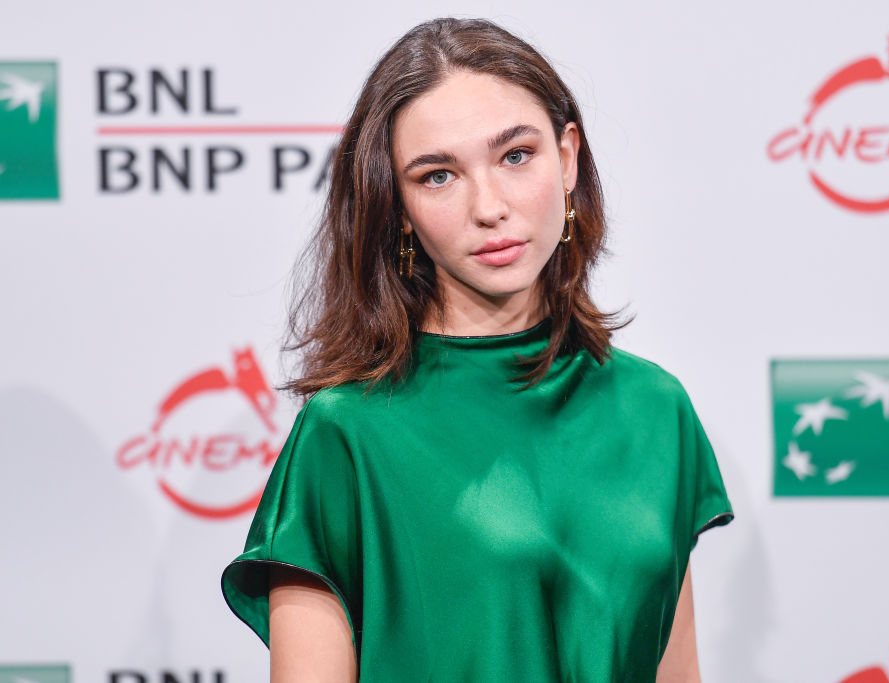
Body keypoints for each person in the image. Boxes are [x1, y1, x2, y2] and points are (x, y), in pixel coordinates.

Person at [220, 16, 734, 682]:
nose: (489, 206)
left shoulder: (655, 408)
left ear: (568, 156)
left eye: (516, 155)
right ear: (399, 206)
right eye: (438, 175)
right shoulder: (348, 433)